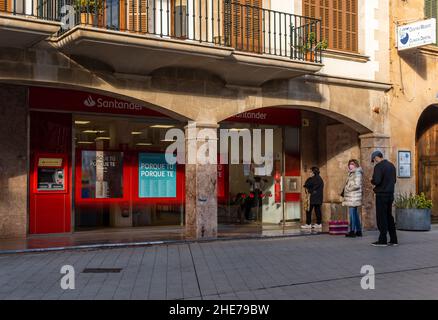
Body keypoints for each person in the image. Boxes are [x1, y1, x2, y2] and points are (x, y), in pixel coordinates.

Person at [370, 151, 398, 247]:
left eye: (374, 159)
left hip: (381, 195)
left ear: (377, 157)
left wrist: (372, 181)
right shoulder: (391, 165)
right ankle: (394, 239)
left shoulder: (378, 167)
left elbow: (377, 180)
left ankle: (382, 240)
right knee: (389, 216)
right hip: (390, 194)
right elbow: (394, 180)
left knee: (381, 217)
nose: (374, 161)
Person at [342, 159, 363, 238]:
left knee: (352, 214)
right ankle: (358, 231)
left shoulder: (357, 173)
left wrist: (347, 188)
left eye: (352, 164)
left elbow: (357, 185)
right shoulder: (351, 173)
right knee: (355, 214)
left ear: (356, 165)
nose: (350, 165)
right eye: (349, 164)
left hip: (354, 196)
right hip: (352, 196)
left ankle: (352, 231)